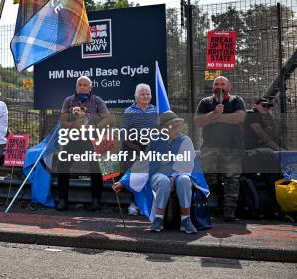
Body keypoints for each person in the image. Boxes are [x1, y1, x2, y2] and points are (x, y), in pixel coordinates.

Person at [113, 112, 206, 234]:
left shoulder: (185, 141)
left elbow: (186, 165)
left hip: (181, 173)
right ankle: (158, 219)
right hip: (159, 175)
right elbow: (143, 164)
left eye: (178, 125)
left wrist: (173, 177)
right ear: (164, 129)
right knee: (163, 181)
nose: (178, 129)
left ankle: (186, 220)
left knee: (184, 180)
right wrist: (123, 181)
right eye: (174, 126)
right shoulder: (155, 142)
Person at [55, 76, 112, 212]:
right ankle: (62, 200)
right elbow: (62, 121)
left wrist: (95, 127)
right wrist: (72, 126)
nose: (82, 87)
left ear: (90, 87)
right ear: (76, 87)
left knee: (96, 167)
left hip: (91, 140)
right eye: (80, 85)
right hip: (72, 139)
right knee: (62, 164)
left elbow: (108, 118)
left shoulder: (97, 101)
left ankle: (96, 201)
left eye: (85, 85)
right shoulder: (68, 100)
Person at [194, 76, 246, 222]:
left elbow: (239, 118)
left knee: (232, 179)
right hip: (210, 147)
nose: (219, 86)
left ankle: (229, 212)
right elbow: (198, 121)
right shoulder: (205, 102)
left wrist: (217, 117)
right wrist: (213, 114)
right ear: (212, 87)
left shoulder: (236, 100)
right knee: (206, 177)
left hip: (232, 148)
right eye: (216, 84)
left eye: (223, 84)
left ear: (229, 87)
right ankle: (208, 209)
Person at [121, 83, 158, 215]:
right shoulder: (129, 111)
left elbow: (158, 131)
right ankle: (133, 204)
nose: (145, 96)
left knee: (148, 177)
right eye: (142, 94)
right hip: (132, 148)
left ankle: (146, 205)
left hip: (150, 148)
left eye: (147, 94)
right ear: (136, 96)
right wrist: (134, 147)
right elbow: (123, 133)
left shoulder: (155, 110)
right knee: (134, 177)